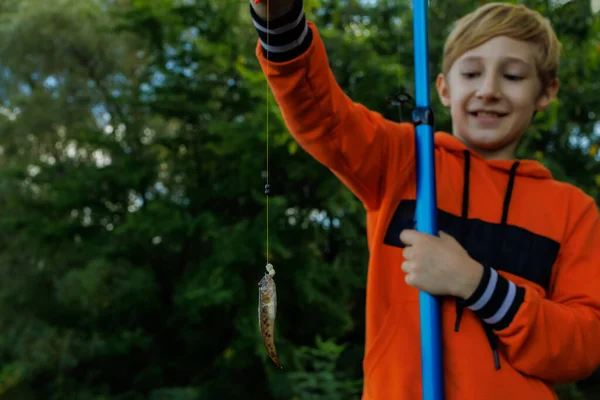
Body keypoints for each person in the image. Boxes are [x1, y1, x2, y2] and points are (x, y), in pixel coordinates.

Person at [248, 1, 600, 398]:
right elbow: (320, 114)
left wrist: (477, 284)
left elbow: (584, 346)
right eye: (471, 73)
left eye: (514, 75)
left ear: (546, 91)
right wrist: (279, 21)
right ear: (444, 89)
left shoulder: (574, 211)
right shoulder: (401, 159)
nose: (489, 90)